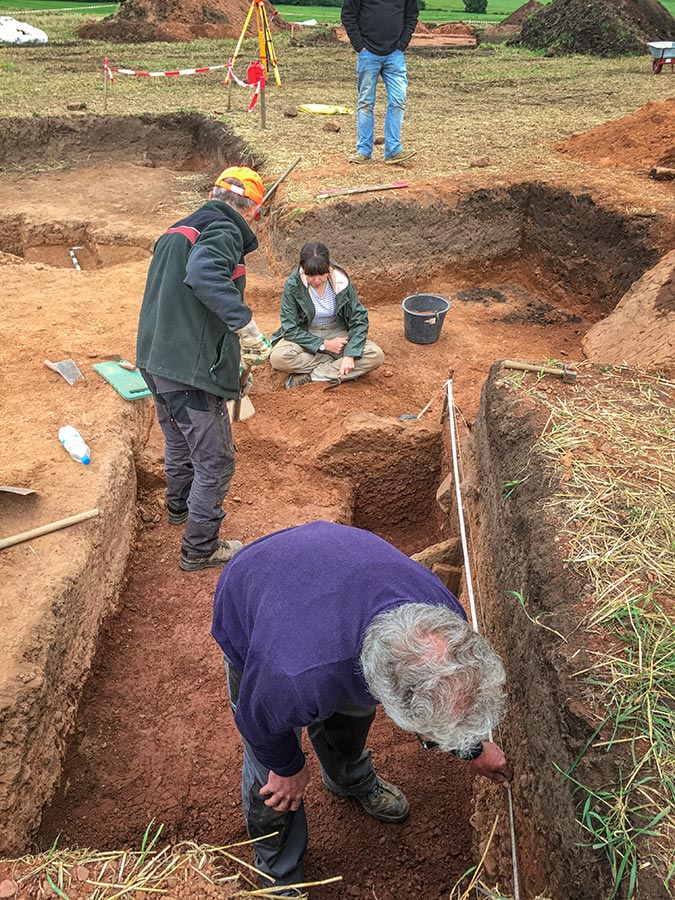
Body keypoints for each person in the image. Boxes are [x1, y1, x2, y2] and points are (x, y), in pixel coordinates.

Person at [211, 521, 512, 897]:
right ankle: (279, 875)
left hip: (334, 576)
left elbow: (450, 698)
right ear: (392, 696)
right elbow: (258, 723)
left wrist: (472, 748)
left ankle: (347, 778)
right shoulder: (293, 676)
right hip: (253, 590)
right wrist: (287, 768)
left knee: (352, 714)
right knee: (273, 786)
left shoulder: (449, 627)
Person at [136, 166, 270, 572]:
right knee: (216, 461)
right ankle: (200, 548)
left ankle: (179, 508)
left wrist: (232, 360)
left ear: (214, 194)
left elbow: (184, 302)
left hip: (155, 358)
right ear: (253, 211)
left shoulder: (178, 229)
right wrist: (246, 327)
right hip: (187, 373)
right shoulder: (225, 229)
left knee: (178, 442)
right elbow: (203, 275)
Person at [269, 241, 384, 390]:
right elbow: (289, 328)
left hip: (338, 331)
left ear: (328, 268)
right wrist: (323, 345)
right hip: (306, 332)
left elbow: (359, 318)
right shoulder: (293, 285)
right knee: (278, 358)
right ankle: (334, 366)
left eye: (321, 274)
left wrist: (350, 354)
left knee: (375, 355)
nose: (316, 280)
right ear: (303, 269)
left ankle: (313, 376)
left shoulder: (341, 281)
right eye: (310, 275)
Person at [341, 0, 419, 165]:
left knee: (398, 100)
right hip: (367, 53)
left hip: (395, 54)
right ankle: (364, 150)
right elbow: (348, 15)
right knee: (366, 103)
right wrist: (360, 46)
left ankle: (393, 150)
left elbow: (411, 16)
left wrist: (402, 44)